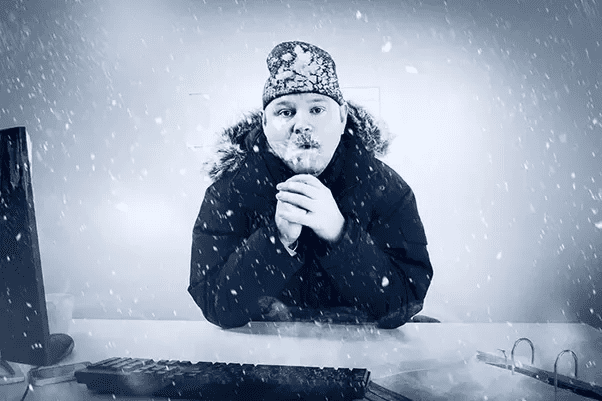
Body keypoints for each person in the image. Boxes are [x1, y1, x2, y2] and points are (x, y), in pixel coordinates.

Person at [188, 41, 433, 329]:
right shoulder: (230, 192)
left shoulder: (386, 189)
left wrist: (339, 234)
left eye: (317, 110)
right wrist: (276, 240)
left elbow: (403, 300)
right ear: (265, 123)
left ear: (342, 118)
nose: (302, 124)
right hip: (264, 355)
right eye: (285, 112)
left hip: (361, 349)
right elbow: (217, 305)